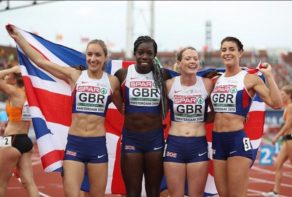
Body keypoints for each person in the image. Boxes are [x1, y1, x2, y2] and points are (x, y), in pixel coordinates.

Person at [7, 25, 123, 197]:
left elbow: (124, 109)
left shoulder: (112, 82)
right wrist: (19, 38)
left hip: (98, 145)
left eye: (98, 54)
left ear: (105, 57)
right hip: (75, 144)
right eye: (89, 54)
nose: (93, 58)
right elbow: (41, 62)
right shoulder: (75, 76)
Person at [210, 36, 282, 197]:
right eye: (223, 49)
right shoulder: (216, 79)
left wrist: (269, 76)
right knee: (223, 194)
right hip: (218, 142)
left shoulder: (249, 78)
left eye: (231, 49)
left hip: (237, 141)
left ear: (240, 53)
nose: (227, 53)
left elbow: (276, 104)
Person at [115, 35, 172, 197]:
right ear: (135, 53)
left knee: (153, 192)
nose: (145, 56)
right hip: (131, 140)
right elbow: (99, 80)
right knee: (132, 192)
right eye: (141, 52)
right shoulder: (123, 74)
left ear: (155, 55)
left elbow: (187, 80)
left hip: (155, 140)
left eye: (149, 53)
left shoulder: (163, 75)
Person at [163, 47, 213, 197]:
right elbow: (160, 112)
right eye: (188, 58)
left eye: (195, 58)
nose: (193, 61)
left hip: (198, 145)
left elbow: (217, 112)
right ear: (179, 63)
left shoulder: (208, 84)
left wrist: (238, 115)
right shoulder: (169, 84)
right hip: (175, 144)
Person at [0, 65, 40, 197]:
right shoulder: (28, 94)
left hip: (11, 140)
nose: (5, 77)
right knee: (29, 183)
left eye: (8, 76)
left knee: (1, 182)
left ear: (14, 79)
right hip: (25, 141)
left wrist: (11, 69)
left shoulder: (16, 93)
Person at [262, 84, 292, 197]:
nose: (280, 95)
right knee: (278, 164)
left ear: (289, 95)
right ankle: (275, 192)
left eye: (283, 94)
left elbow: (288, 125)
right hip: (287, 139)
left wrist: (276, 137)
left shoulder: (290, 107)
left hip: (290, 138)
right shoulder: (287, 107)